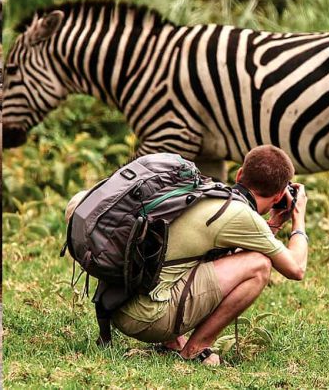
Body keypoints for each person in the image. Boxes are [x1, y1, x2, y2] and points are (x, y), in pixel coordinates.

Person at [65, 145, 309, 365]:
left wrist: (275, 222)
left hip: (117, 304)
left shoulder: (206, 193)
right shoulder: (240, 215)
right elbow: (295, 269)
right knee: (260, 265)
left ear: (239, 174)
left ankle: (174, 342)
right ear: (278, 196)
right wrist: (298, 218)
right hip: (148, 319)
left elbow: (248, 240)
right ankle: (196, 349)